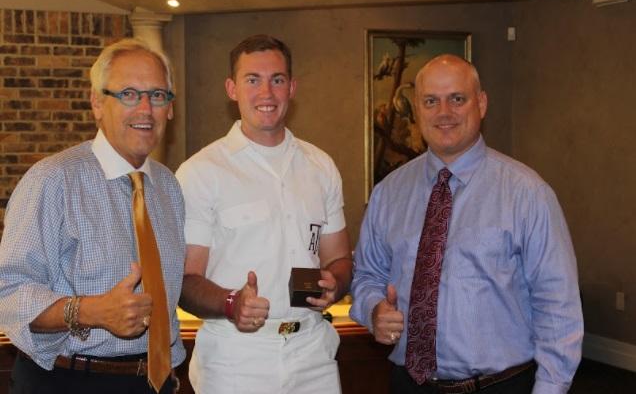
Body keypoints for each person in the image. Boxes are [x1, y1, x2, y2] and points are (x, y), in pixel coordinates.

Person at [350, 54, 583, 394]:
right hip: (409, 384)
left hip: (500, 385)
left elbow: (557, 304)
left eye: (457, 99)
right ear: (416, 109)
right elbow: (368, 275)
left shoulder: (527, 193)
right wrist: (373, 310)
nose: (444, 113)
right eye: (431, 101)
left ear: (481, 103)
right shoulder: (388, 193)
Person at [0, 38, 185, 393]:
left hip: (156, 381)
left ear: (170, 109)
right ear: (97, 103)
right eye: (129, 94)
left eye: (157, 95)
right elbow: (9, 292)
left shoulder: (168, 186)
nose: (145, 109)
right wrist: (92, 311)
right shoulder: (53, 179)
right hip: (68, 380)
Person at [175, 34, 352, 394]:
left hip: (312, 353)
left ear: (292, 87)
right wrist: (231, 302)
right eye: (252, 80)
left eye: (277, 80)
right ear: (232, 88)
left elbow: (340, 259)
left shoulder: (321, 166)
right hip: (236, 357)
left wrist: (336, 282)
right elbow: (185, 279)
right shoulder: (200, 171)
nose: (266, 93)